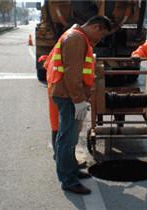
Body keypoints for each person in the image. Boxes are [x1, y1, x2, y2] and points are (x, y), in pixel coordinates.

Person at [45, 16, 112, 194]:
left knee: (69, 137)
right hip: (68, 96)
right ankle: (68, 180)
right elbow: (72, 73)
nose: (99, 40)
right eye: (101, 35)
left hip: (69, 95)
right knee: (67, 139)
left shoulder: (78, 37)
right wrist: (78, 100)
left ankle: (71, 170)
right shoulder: (75, 38)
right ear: (96, 27)